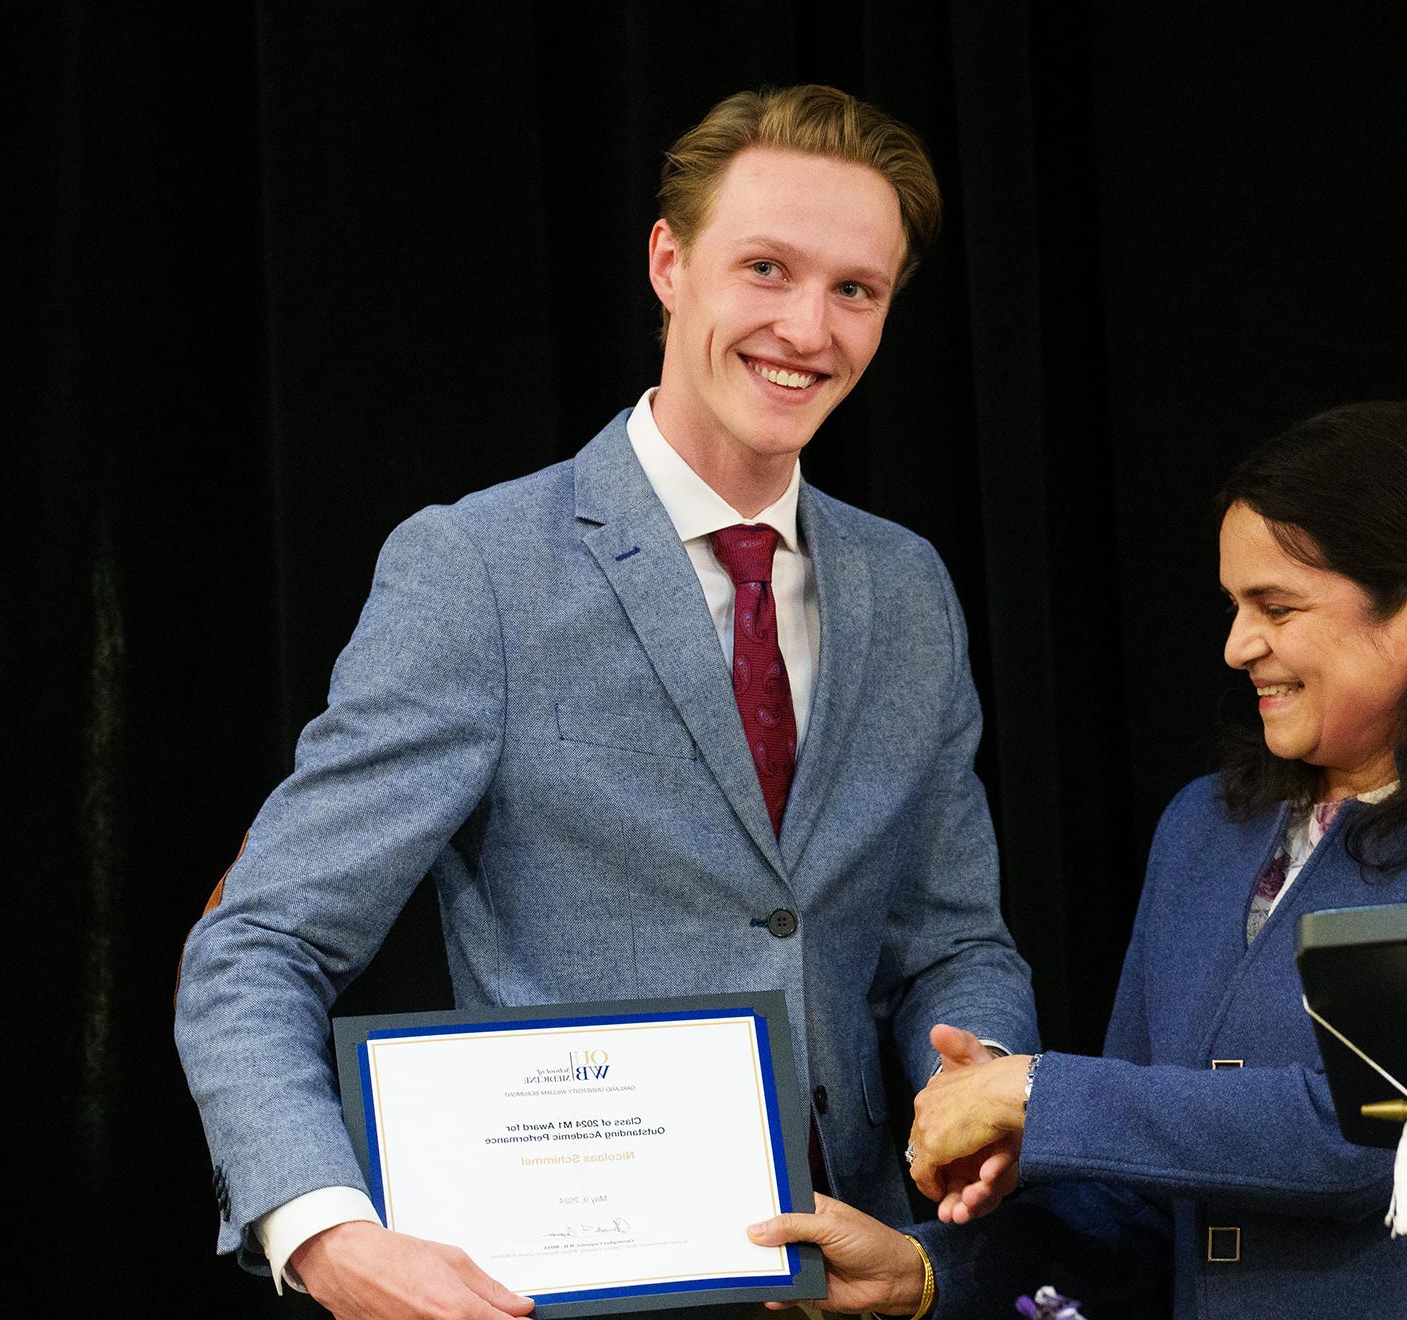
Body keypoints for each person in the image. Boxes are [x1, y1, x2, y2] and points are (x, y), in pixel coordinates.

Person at [174, 84, 1036, 1320]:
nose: (807, 326)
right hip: (562, 1296)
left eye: (857, 289)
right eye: (766, 269)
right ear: (668, 263)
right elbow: (257, 944)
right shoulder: (477, 567)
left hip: (854, 1281)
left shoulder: (908, 588)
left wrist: (987, 1080)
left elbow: (953, 941)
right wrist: (324, 1232)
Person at [747, 400, 1407, 1317]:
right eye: (1233, 605)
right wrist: (923, 1271)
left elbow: (1394, 1132)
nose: (1235, 645)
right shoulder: (1203, 830)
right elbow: (1132, 1206)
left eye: (1277, 606)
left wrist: (1039, 1094)